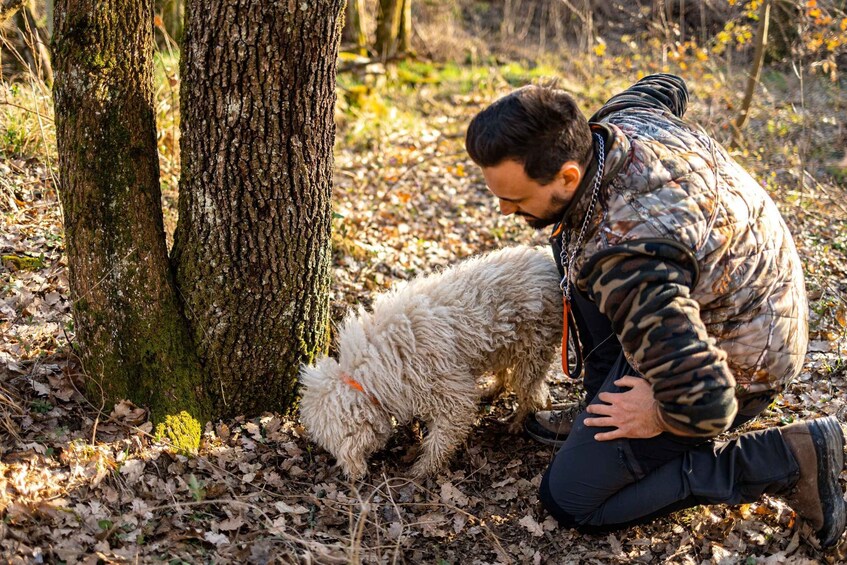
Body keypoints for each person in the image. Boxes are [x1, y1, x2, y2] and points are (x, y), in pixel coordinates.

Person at [465, 74, 847, 547]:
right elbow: (666, 84)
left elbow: (706, 403)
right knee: (571, 237)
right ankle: (601, 401)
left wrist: (662, 412)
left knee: (571, 498)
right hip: (740, 286)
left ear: (567, 174)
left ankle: (789, 457)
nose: (503, 210)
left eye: (515, 199)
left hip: (745, 359)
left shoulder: (629, 261)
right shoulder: (619, 122)